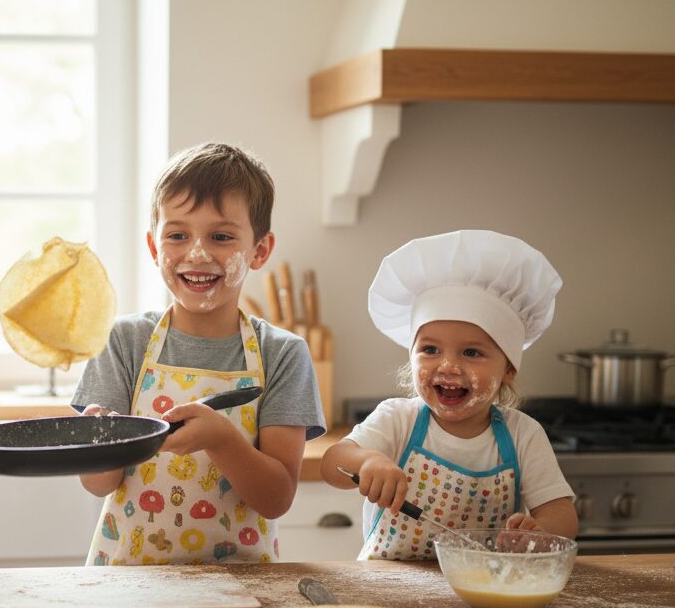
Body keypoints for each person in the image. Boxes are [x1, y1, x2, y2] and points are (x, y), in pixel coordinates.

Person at [73, 142, 325, 566]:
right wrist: (96, 444)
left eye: (221, 237)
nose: (197, 253)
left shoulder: (282, 354)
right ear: (154, 247)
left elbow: (276, 498)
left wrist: (221, 439)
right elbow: (99, 484)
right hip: (129, 581)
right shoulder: (123, 341)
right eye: (177, 235)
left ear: (260, 251)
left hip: (240, 584)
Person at [321, 229, 578, 560]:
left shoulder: (523, 435)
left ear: (509, 369)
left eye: (471, 353)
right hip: (390, 582)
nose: (448, 366)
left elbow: (561, 513)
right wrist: (368, 460)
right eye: (430, 349)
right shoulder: (397, 420)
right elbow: (333, 464)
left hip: (483, 583)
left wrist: (540, 531)